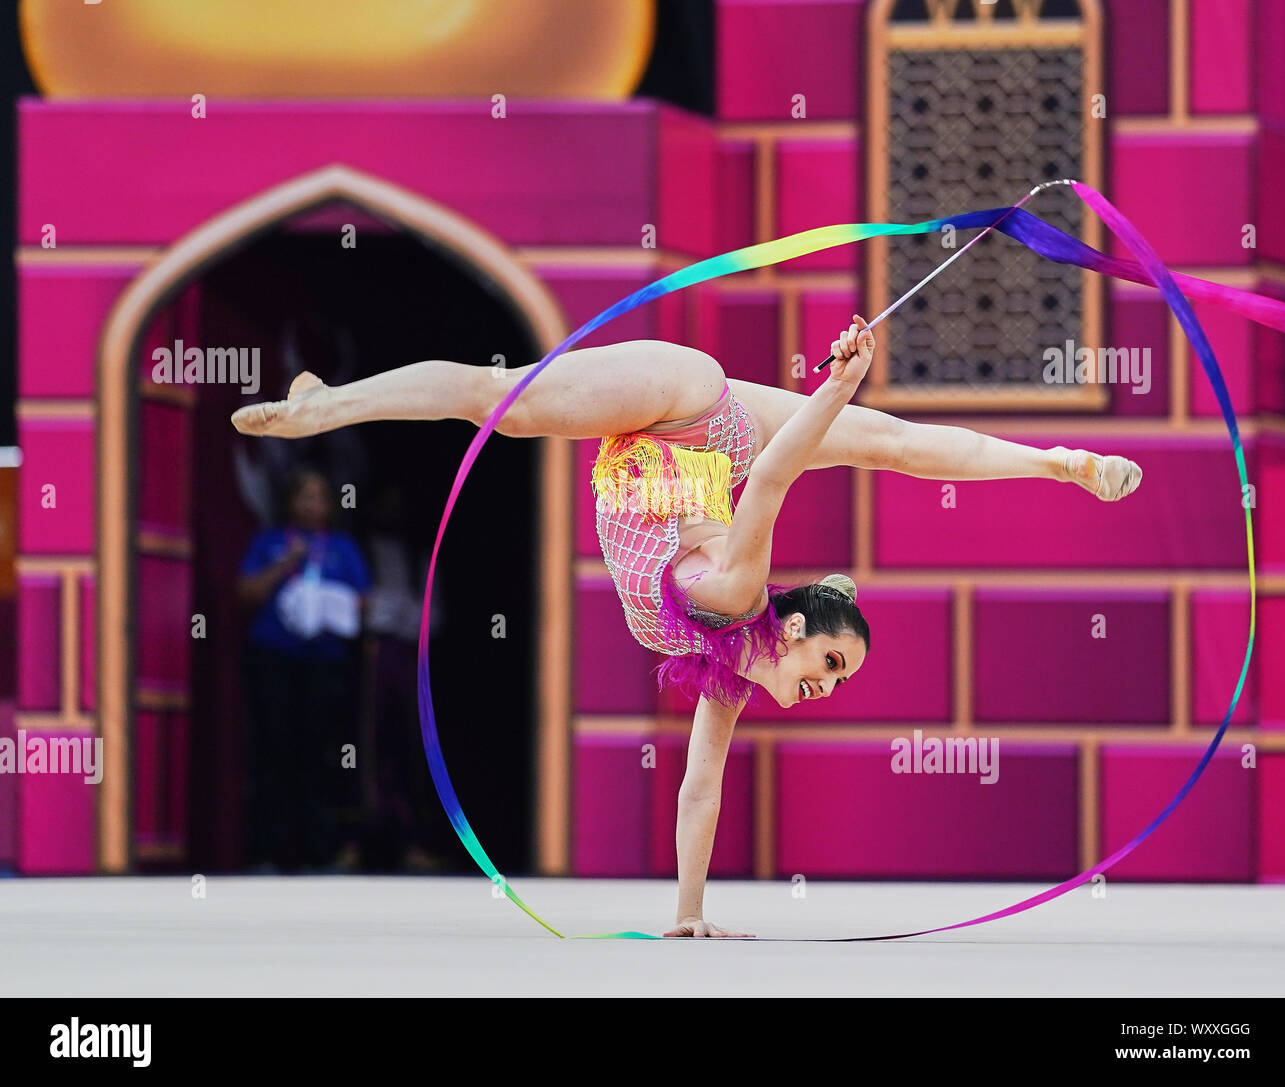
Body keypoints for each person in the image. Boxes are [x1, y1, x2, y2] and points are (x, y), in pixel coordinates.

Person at [230, 316, 1140, 925]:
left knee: (894, 445)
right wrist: (837, 385)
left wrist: (687, 911)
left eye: (833, 681)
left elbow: (700, 785)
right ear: (788, 630)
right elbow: (776, 477)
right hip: (685, 408)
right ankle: (328, 406)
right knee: (497, 399)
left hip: (711, 438)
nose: (823, 687)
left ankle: (1062, 461)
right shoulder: (740, 597)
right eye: (828, 663)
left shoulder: (729, 670)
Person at [237, 466, 371, 872]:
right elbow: (246, 593)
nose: (312, 505)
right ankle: (265, 851)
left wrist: (331, 600)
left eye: (320, 497)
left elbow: (364, 603)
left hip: (324, 665)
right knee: (273, 752)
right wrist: (285, 565)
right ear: (290, 502)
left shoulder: (342, 548)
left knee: (318, 755)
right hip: (275, 660)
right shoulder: (271, 542)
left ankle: (318, 850)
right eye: (304, 496)